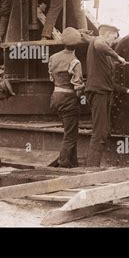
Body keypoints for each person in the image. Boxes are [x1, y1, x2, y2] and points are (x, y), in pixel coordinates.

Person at [84, 25, 129, 167]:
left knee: (104, 131)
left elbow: (110, 83)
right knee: (99, 131)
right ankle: (91, 168)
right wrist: (118, 56)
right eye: (113, 38)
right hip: (98, 92)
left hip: (104, 91)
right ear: (107, 34)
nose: (114, 42)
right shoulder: (97, 42)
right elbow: (100, 44)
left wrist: (127, 90)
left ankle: (94, 165)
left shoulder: (105, 58)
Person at [48, 28, 84, 168]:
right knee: (70, 134)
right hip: (68, 99)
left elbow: (51, 77)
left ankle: (72, 162)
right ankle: (63, 163)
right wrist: (81, 98)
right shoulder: (75, 62)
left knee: (69, 129)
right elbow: (77, 85)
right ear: (77, 45)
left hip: (56, 97)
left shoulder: (53, 57)